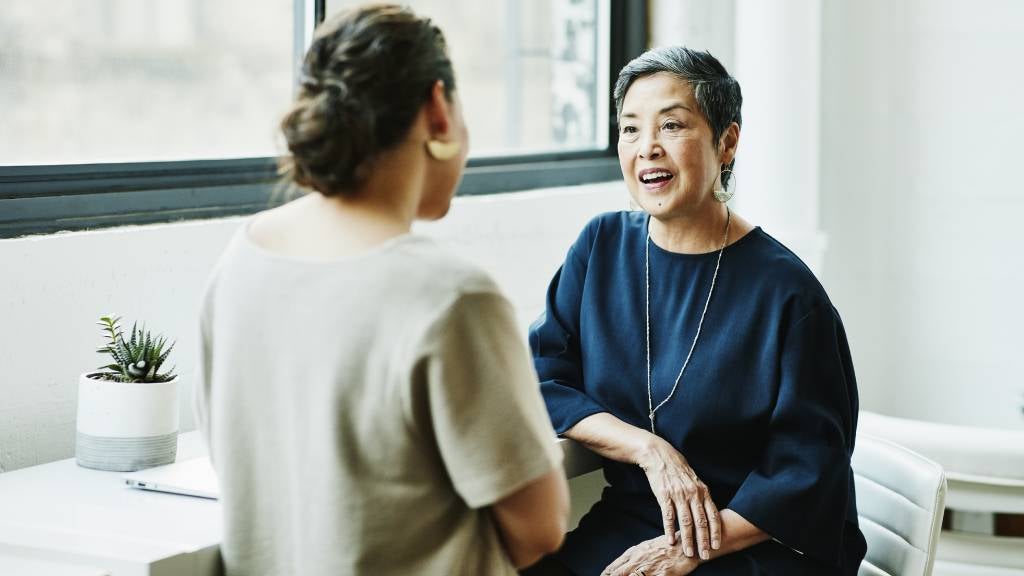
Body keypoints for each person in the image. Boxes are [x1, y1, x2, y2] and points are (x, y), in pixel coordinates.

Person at [193, 5, 569, 575]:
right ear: (437, 110)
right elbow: (539, 528)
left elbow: (234, 460)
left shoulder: (242, 259)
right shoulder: (452, 296)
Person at [526, 46, 867, 576]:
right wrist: (648, 449)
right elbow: (540, 377)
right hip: (635, 520)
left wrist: (690, 549)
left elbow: (810, 467)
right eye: (630, 129)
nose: (647, 149)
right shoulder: (601, 246)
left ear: (727, 142)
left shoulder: (788, 293)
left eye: (672, 126)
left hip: (753, 540)